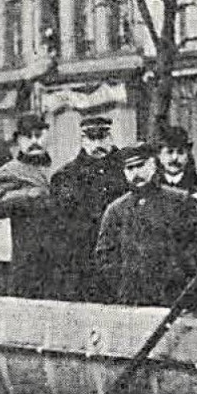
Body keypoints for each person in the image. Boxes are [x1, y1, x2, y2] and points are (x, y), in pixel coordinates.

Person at [94, 142, 197, 308]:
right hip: (132, 298)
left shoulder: (180, 201)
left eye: (141, 166)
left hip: (174, 296)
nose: (136, 173)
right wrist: (123, 283)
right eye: (130, 169)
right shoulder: (116, 210)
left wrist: (180, 273)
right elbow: (105, 254)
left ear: (153, 164)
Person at [49, 112, 128, 301]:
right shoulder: (66, 176)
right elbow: (60, 227)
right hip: (81, 264)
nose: (98, 145)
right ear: (83, 140)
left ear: (111, 137)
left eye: (103, 137)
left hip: (119, 260)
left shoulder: (127, 171)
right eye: (92, 138)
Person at [0, 112, 60, 298]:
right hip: (26, 259)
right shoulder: (10, 171)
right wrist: (27, 195)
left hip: (59, 260)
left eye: (38, 135)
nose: (34, 141)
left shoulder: (59, 168)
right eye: (28, 136)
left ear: (47, 136)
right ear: (18, 140)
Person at [156, 126, 197, 195]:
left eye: (180, 152)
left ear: (188, 155)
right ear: (159, 155)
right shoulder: (149, 185)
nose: (175, 158)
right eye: (169, 152)